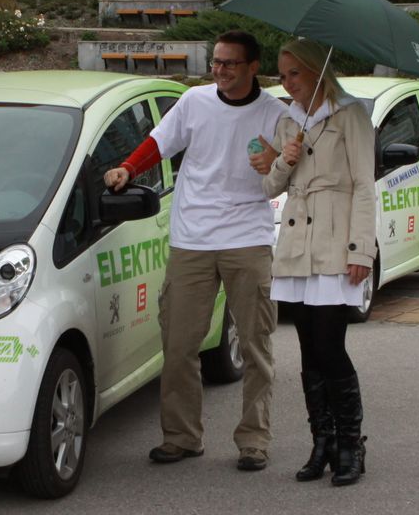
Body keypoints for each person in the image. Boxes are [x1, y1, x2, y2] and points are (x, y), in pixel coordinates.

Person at [103, 30, 288, 471]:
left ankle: (253, 440)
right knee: (180, 344)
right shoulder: (194, 102)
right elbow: (159, 142)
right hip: (193, 240)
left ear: (252, 67)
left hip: (248, 239)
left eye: (229, 64)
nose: (219, 71)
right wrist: (128, 168)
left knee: (256, 344)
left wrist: (280, 159)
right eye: (216, 62)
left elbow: (290, 168)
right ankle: (182, 436)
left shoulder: (277, 114)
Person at [259, 39, 375, 486]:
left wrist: (361, 249)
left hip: (334, 241)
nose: (286, 82)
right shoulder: (290, 121)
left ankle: (351, 444)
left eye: (294, 74)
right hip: (295, 242)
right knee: (308, 352)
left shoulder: (351, 115)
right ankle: (321, 443)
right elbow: (269, 188)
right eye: (282, 74)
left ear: (316, 72)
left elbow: (365, 185)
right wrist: (283, 161)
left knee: (330, 346)